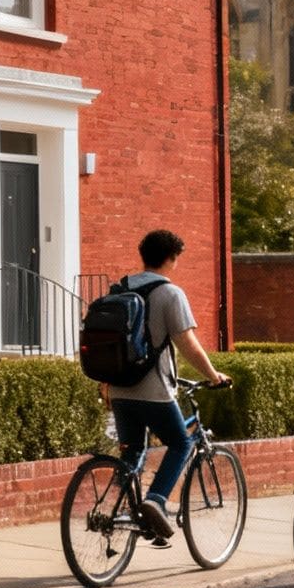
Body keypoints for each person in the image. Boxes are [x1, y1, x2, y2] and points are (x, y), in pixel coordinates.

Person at [106, 229, 231, 542]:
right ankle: (156, 500)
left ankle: (125, 512)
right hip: (154, 390)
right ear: (172, 258)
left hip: (120, 389)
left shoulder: (119, 290)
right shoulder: (170, 293)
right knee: (181, 443)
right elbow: (187, 343)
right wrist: (214, 375)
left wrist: (107, 384)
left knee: (133, 450)